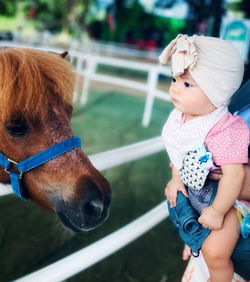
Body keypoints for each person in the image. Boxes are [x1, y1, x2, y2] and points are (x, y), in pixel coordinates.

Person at [160, 34, 250, 282]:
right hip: (202, 198)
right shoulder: (183, 117)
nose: (175, 88)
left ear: (216, 92)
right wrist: (176, 177)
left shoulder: (224, 128)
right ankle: (196, 241)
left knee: (216, 252)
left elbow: (234, 175)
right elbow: (179, 151)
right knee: (196, 232)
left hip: (230, 203)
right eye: (174, 79)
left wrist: (217, 211)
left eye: (187, 84)